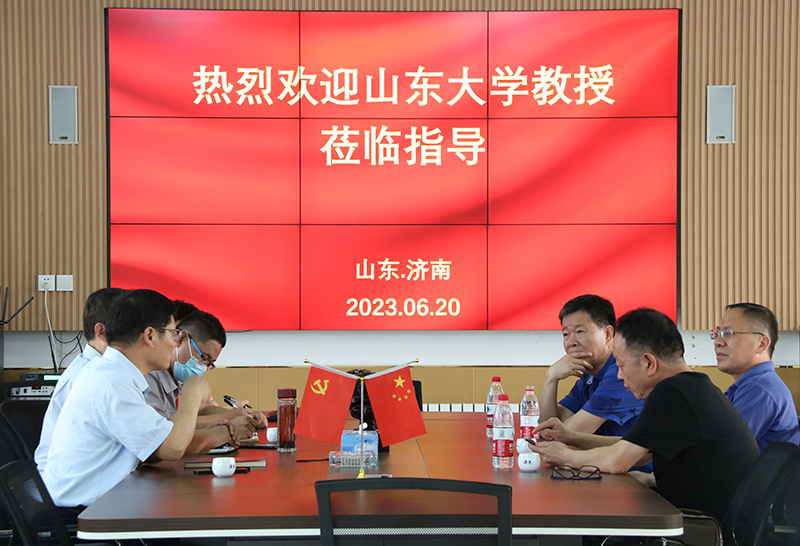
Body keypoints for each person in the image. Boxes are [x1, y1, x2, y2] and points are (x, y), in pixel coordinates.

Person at [532, 308, 760, 522]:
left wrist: (565, 456)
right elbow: (637, 451)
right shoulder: (690, 387)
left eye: (621, 365)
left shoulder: (673, 393)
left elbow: (617, 461)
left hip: (705, 529)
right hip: (707, 521)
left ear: (649, 363)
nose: (619, 376)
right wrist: (572, 438)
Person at [42, 289, 238, 511]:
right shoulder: (112, 383)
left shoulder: (116, 375)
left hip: (106, 502)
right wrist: (192, 395)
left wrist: (212, 434)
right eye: (173, 334)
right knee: (203, 507)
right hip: (88, 512)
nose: (175, 344)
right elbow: (172, 448)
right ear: (150, 336)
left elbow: (153, 448)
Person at [35, 287, 127, 473]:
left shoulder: (101, 370)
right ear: (102, 332)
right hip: (69, 482)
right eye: (131, 329)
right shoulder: (92, 377)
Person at [539, 294, 644, 437]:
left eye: (580, 332)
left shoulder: (620, 374)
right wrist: (551, 378)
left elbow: (560, 435)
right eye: (566, 334)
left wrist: (551, 433)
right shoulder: (588, 377)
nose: (571, 342)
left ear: (607, 334)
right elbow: (546, 426)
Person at [145, 309, 267, 431]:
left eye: (209, 363)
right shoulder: (151, 376)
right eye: (203, 358)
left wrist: (243, 414)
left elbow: (200, 408)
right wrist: (228, 418)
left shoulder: (177, 376)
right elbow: (167, 430)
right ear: (181, 338)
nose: (202, 367)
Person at [713, 302, 800, 450]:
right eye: (717, 333)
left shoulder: (759, 389)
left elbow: (720, 450)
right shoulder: (753, 385)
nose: (717, 342)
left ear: (762, 344)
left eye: (728, 333)